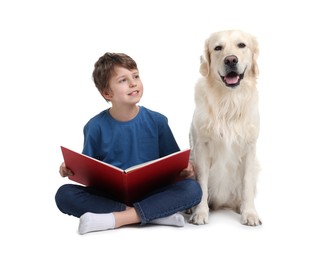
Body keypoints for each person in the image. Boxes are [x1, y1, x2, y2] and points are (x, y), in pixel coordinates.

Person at [55, 52, 202, 235]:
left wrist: (187, 170)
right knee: (64, 194)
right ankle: (153, 214)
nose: (133, 83)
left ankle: (115, 219)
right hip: (112, 197)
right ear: (107, 93)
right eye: (123, 80)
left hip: (152, 192)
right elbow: (89, 173)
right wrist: (70, 169)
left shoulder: (158, 121)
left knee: (193, 189)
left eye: (136, 76)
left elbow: (176, 167)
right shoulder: (94, 127)